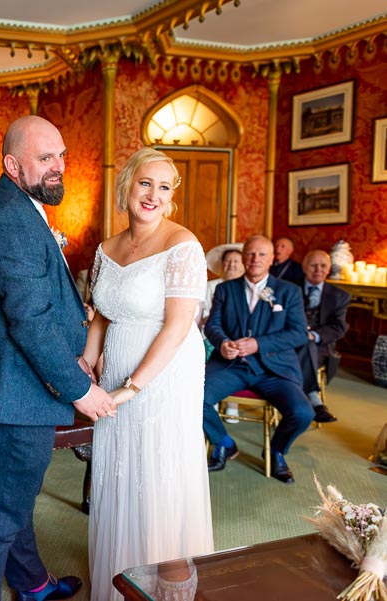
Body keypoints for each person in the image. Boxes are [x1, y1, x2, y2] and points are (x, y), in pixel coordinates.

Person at [0, 115, 115, 601]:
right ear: (12, 163)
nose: (59, 167)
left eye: (61, 155)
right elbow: (29, 320)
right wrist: (80, 388)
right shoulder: (10, 218)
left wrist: (75, 357)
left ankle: (31, 584)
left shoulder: (19, 207)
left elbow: (36, 306)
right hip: (12, 398)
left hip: (11, 391)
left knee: (12, 502)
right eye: (46, 158)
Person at [84, 146, 213, 601]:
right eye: (145, 183)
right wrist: (87, 362)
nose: (153, 194)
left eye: (164, 187)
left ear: (172, 197)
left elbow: (179, 326)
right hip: (116, 365)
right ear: (128, 185)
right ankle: (122, 581)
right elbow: (102, 313)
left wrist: (131, 387)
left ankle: (169, 589)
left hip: (163, 377)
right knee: (123, 473)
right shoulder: (106, 248)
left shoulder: (183, 245)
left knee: (159, 479)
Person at [203, 235, 314, 483]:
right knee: (193, 397)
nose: (255, 259)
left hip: (273, 369)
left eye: (262, 254)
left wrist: (258, 344)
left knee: (303, 412)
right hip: (231, 366)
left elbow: (298, 334)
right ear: (243, 257)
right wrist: (222, 343)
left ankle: (276, 451)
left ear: (272, 259)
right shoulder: (224, 289)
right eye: (250, 254)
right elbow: (213, 325)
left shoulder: (289, 292)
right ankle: (223, 442)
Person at [297, 250, 350, 423]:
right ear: (305, 267)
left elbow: (339, 326)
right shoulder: (289, 288)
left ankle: (304, 398)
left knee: (308, 345)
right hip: (289, 340)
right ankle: (314, 401)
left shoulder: (340, 296)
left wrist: (314, 335)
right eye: (313, 265)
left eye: (323, 266)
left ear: (328, 269)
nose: (318, 269)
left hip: (321, 347)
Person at [203, 243, 244, 422]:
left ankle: (232, 404)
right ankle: (212, 395)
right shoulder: (210, 286)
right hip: (209, 334)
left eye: (236, 261)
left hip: (238, 338)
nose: (232, 265)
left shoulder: (246, 288)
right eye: (228, 261)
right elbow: (202, 314)